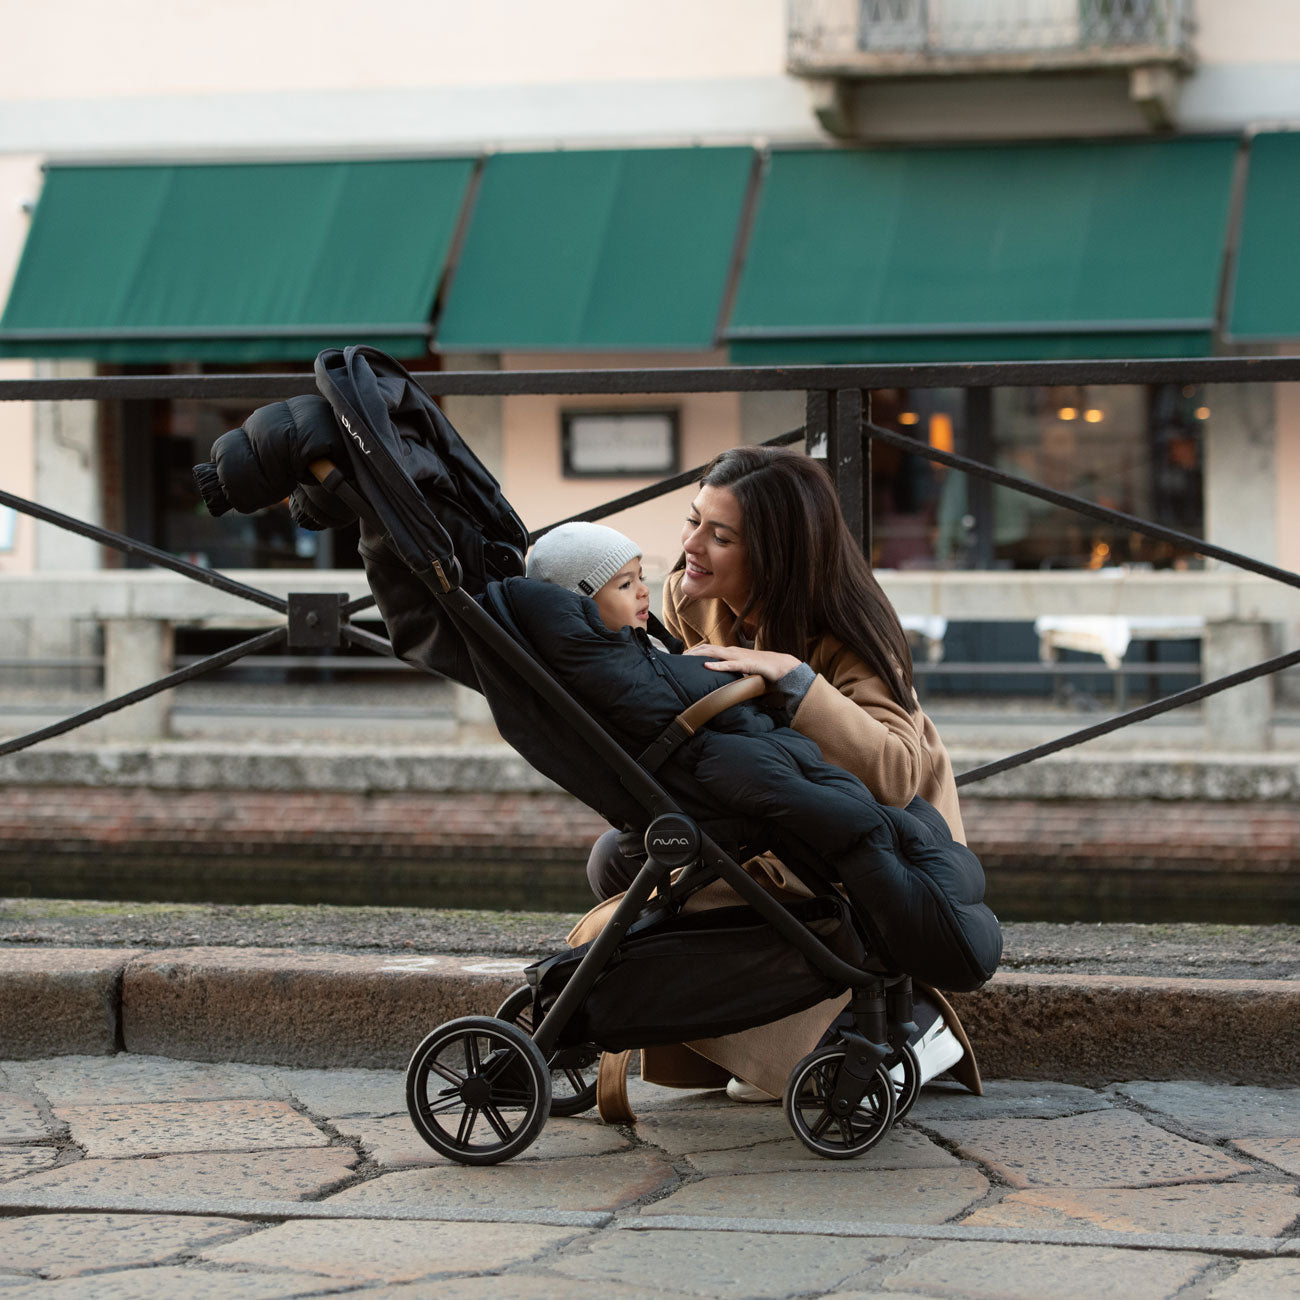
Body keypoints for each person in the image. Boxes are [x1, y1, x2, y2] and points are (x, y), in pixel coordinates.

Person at [589, 445, 973, 1101]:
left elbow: (900, 771)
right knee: (621, 858)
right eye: (693, 521)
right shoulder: (692, 600)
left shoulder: (850, 629)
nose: (691, 547)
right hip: (783, 807)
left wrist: (797, 682)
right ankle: (750, 1034)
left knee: (677, 870)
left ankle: (888, 1023)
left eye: (721, 535)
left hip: (883, 836)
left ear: (774, 555)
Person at [525, 520, 665, 645]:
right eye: (625, 584)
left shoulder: (650, 644)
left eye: (641, 578)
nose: (644, 591)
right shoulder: (605, 667)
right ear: (579, 606)